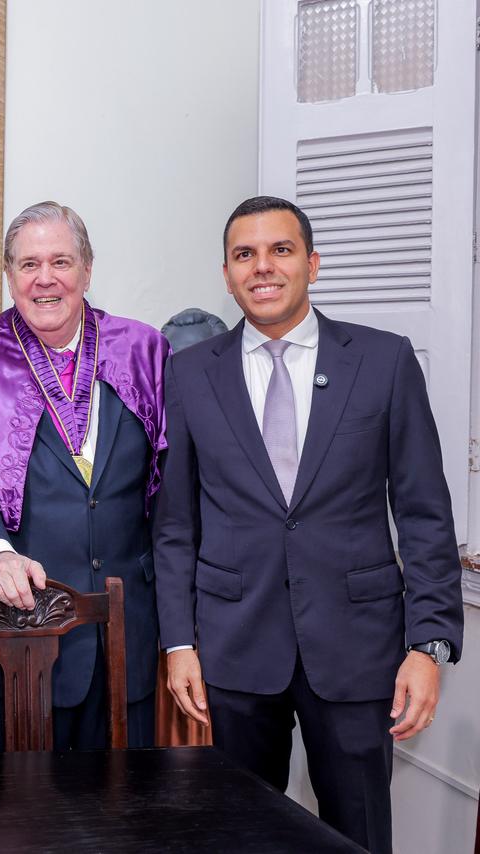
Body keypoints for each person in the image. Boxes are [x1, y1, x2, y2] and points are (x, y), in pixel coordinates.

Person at [153, 196, 463, 854]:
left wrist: (428, 644)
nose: (262, 267)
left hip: (358, 649)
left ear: (312, 264)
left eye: (281, 250)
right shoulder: (188, 373)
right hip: (234, 649)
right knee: (241, 836)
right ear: (227, 274)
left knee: (358, 835)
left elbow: (424, 513)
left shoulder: (383, 361)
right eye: (245, 255)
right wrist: (178, 642)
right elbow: (175, 524)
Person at [0, 201, 169, 752]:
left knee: (131, 803)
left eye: (61, 261)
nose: (45, 278)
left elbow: (172, 485)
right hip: (20, 634)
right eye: (29, 264)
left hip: (131, 636)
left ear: (87, 270)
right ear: (9, 276)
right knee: (24, 804)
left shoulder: (144, 349)